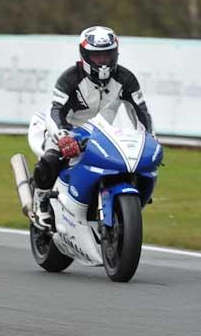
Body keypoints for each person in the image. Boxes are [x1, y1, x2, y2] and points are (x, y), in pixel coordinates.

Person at [32, 25, 154, 228]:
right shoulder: (69, 78)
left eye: (108, 55)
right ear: (84, 55)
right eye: (97, 56)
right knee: (51, 159)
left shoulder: (126, 79)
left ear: (116, 53)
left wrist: (150, 139)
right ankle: (41, 202)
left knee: (135, 166)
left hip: (102, 132)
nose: (103, 61)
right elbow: (55, 111)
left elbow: (142, 113)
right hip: (65, 129)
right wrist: (63, 137)